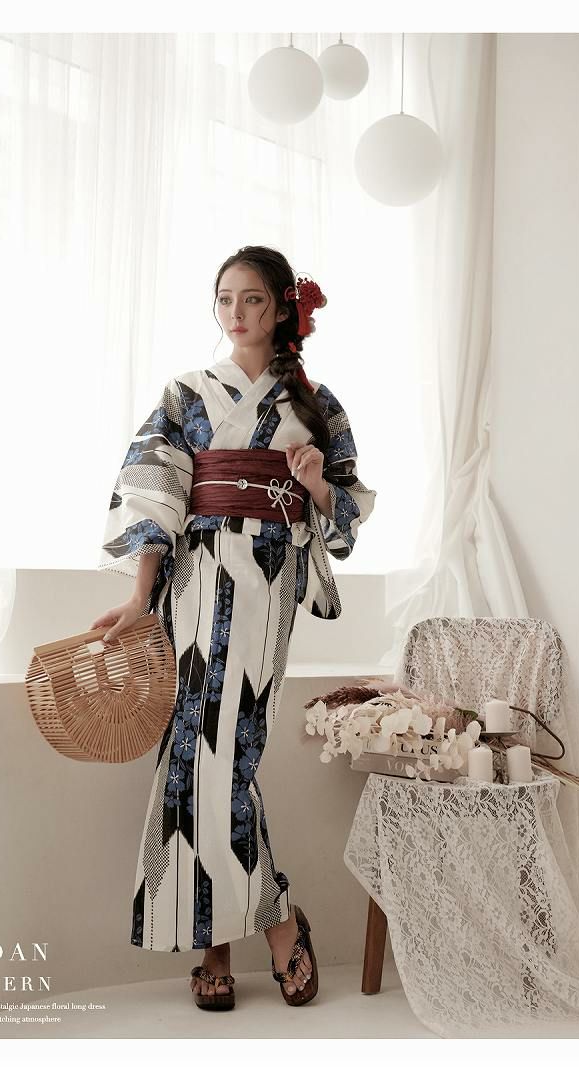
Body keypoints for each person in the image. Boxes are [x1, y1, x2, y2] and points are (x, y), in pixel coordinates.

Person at [92, 245, 376, 1010]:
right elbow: (155, 487)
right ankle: (263, 927)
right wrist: (140, 594)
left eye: (252, 298)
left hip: (267, 583)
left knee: (233, 751)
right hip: (195, 579)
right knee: (191, 751)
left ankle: (229, 935)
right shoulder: (187, 392)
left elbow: (345, 510)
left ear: (283, 307)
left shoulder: (313, 405)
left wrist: (316, 486)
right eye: (224, 299)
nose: (236, 313)